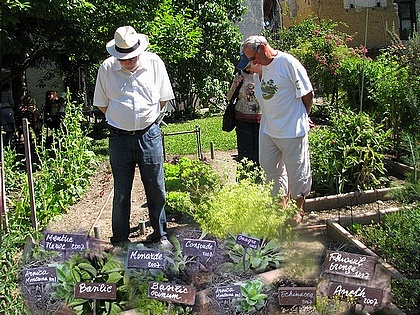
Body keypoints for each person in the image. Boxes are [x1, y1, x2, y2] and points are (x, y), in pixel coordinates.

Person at [93, 25, 174, 249]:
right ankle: (120, 240)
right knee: (121, 191)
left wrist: (144, 120)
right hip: (119, 138)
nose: (129, 62)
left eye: (133, 57)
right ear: (116, 55)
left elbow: (164, 98)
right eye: (124, 58)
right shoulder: (106, 68)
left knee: (156, 188)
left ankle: (160, 235)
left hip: (149, 134)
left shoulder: (155, 63)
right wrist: (123, 120)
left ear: (140, 51)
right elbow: (102, 104)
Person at [241, 35, 314, 226]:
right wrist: (257, 71)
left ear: (263, 48)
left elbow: (307, 93)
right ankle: (280, 206)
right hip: (269, 130)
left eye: (253, 58)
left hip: (291, 129)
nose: (252, 63)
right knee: (270, 169)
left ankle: (298, 211)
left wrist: (304, 116)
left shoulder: (287, 63)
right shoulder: (259, 72)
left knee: (297, 172)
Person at [227, 53, 262, 165]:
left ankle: (259, 172)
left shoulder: (263, 75)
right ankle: (244, 172)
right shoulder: (239, 75)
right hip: (242, 119)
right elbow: (229, 97)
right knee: (244, 150)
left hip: (260, 120)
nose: (247, 68)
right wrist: (235, 83)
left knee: (259, 149)